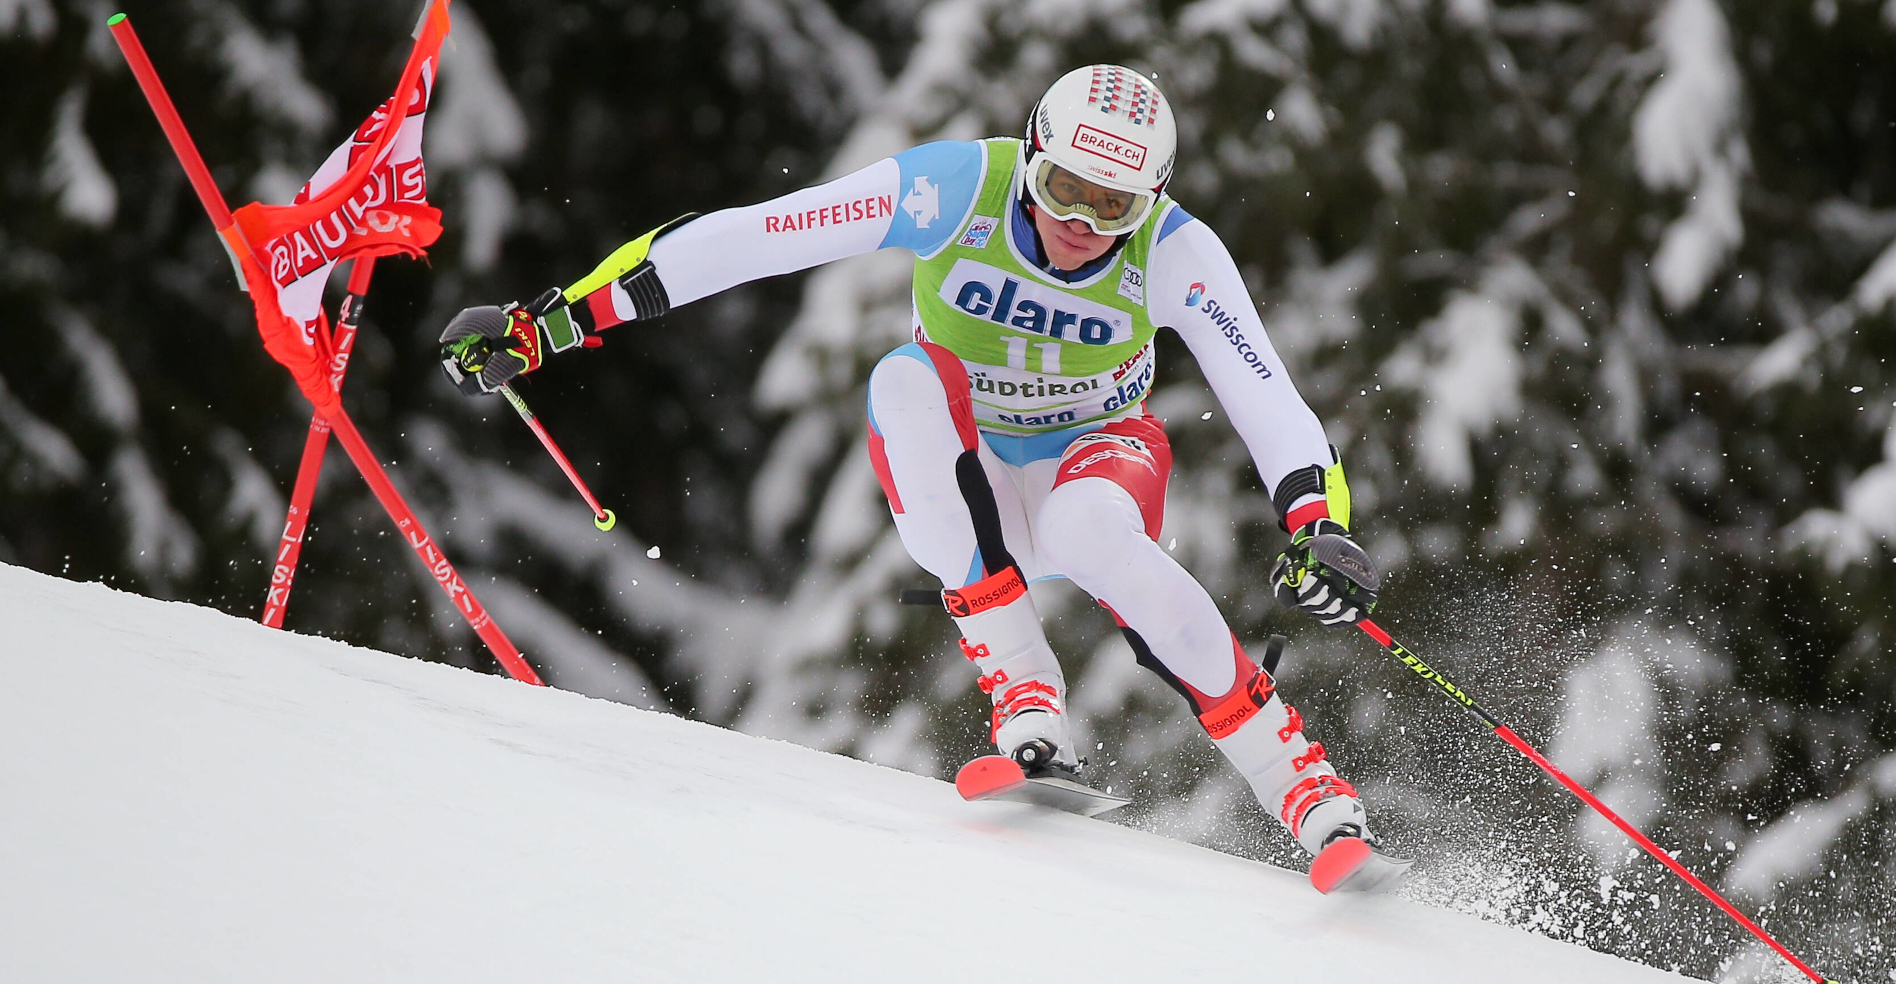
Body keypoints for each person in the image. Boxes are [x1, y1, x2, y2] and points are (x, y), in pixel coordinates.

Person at [441, 65, 1390, 860]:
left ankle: (1302, 787)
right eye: (1064, 188)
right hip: (964, 473)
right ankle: (1027, 701)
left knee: (1086, 528)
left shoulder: (1175, 251)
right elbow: (749, 238)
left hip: (1095, 461)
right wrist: (551, 323)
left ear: (1152, 198)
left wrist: (1319, 527)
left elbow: (1265, 393)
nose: (1083, 225)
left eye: (1115, 206)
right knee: (903, 379)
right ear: (1031, 156)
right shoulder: (951, 190)